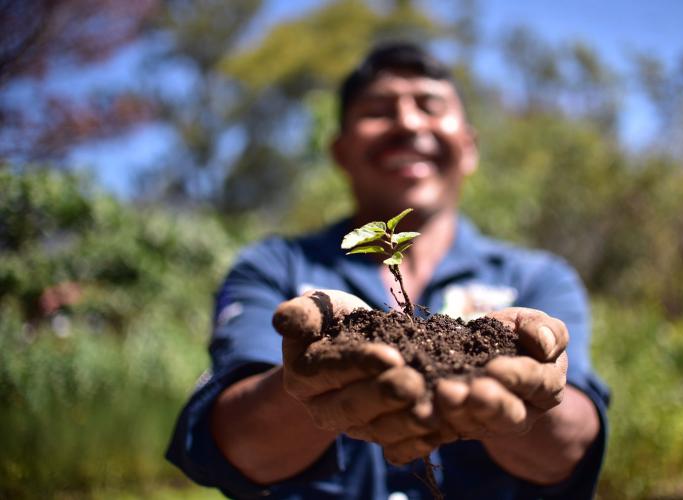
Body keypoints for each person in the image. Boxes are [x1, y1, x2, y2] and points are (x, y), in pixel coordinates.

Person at [166, 42, 610, 499]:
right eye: (378, 110)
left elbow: (573, 441)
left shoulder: (537, 279)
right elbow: (233, 442)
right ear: (340, 152)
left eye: (430, 106)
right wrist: (306, 383)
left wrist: (532, 398)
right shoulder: (274, 267)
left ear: (469, 147)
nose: (409, 122)